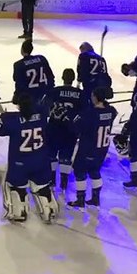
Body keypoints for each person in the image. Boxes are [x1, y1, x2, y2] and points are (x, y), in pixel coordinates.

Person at [0, 94, 59, 224]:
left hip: (20, 163)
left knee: (15, 186)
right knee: (42, 186)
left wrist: (3, 115)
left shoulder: (11, 119)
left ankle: (19, 212)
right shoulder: (41, 116)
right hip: (41, 160)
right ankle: (49, 210)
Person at [71, 86, 117, 208]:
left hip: (89, 147)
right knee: (95, 171)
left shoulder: (90, 113)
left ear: (96, 98)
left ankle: (80, 200)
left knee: (79, 171)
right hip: (102, 148)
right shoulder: (111, 111)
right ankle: (95, 198)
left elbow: (78, 127)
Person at [45, 68, 84, 198]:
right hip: (70, 129)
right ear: (73, 79)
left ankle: (51, 180)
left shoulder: (54, 91)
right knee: (66, 156)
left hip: (54, 128)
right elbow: (83, 113)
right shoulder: (80, 94)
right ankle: (64, 183)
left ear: (62, 77)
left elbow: (46, 107)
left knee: (52, 155)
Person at [12, 40, 55, 110]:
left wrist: (16, 96)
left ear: (22, 50)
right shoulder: (42, 59)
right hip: (43, 95)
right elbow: (50, 76)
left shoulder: (19, 65)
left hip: (28, 98)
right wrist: (50, 90)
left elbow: (19, 84)